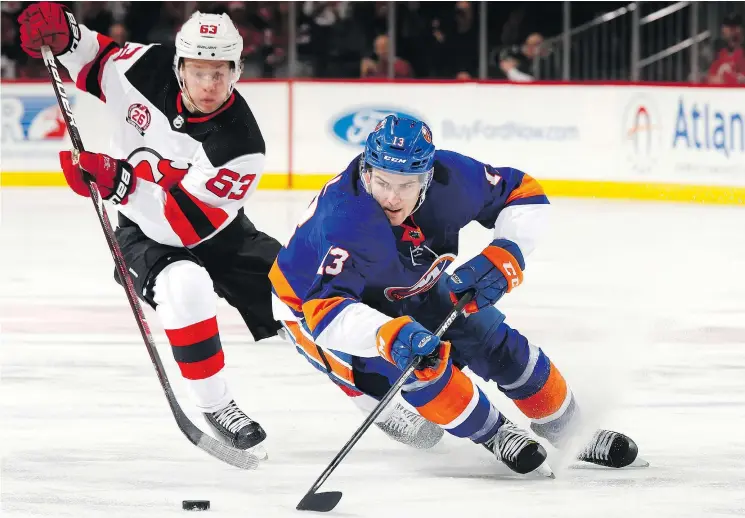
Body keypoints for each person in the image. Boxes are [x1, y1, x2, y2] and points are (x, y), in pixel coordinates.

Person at [269, 114, 645, 475]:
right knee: (421, 367)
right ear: (367, 171)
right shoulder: (346, 220)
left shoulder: (453, 180)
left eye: (407, 184)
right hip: (314, 309)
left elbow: (523, 192)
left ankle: (570, 432)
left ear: (428, 178)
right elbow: (326, 310)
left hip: (414, 284)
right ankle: (495, 435)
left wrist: (506, 252)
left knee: (497, 343)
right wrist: (390, 335)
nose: (392, 199)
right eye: (383, 182)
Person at [17, 2, 280, 456]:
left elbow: (185, 225)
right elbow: (96, 60)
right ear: (179, 65)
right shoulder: (145, 67)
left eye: (221, 71)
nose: (210, 84)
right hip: (144, 233)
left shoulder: (241, 142)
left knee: (299, 292)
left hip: (219, 232)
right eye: (199, 70)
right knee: (185, 283)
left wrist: (118, 181)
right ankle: (217, 406)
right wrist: (64, 33)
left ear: (238, 70)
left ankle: (376, 389)